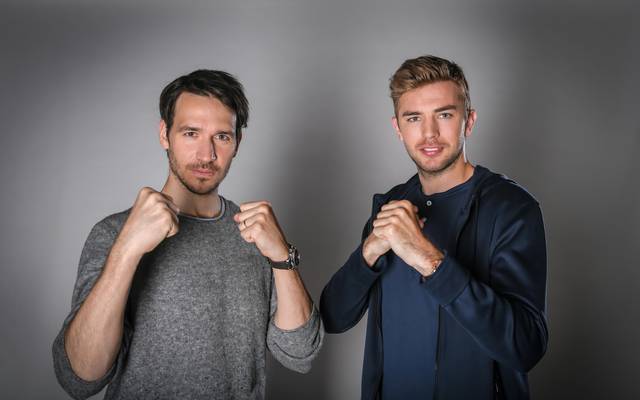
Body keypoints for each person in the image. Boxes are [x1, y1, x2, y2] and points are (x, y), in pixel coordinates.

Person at [52, 70, 323, 399]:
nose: (207, 155)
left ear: (237, 142)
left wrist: (281, 257)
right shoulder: (113, 234)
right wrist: (126, 250)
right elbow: (80, 378)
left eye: (222, 137)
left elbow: (300, 354)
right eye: (191, 133)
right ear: (164, 134)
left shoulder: (256, 235)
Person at [320, 55, 548, 399]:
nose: (429, 133)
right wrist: (368, 252)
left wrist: (429, 260)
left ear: (468, 121)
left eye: (444, 115)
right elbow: (333, 317)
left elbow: (526, 346)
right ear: (398, 128)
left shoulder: (512, 208)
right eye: (414, 118)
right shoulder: (390, 207)